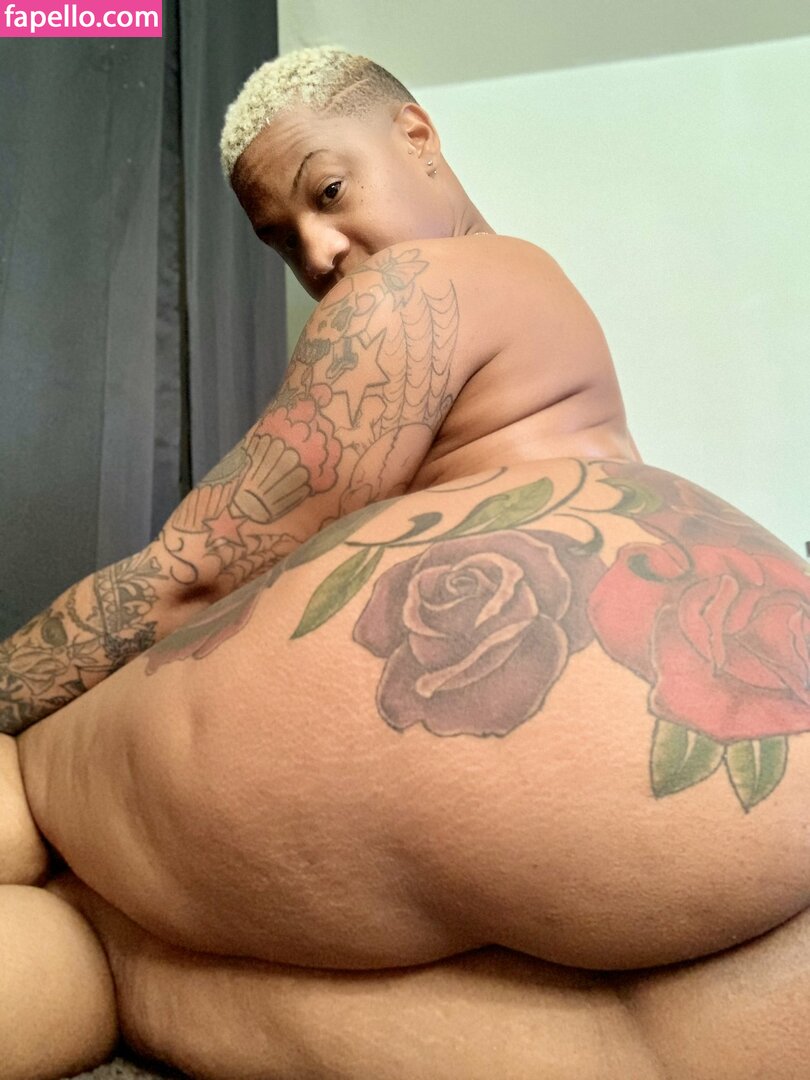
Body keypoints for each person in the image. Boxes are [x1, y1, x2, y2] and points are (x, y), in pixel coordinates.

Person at [1, 45, 808, 1080]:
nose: (319, 251)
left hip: (528, 721)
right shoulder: (544, 298)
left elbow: (193, 574)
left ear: (417, 135)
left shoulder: (419, 285)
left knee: (30, 793)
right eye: (281, 237)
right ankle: (113, 962)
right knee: (667, 1047)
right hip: (752, 740)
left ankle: (101, 944)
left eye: (328, 192)